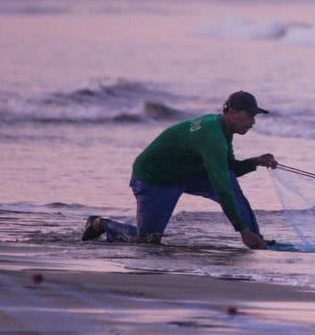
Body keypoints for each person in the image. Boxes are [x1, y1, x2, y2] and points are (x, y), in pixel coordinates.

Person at [81, 91, 277, 249]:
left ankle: (257, 240)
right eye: (250, 115)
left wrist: (256, 162)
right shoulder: (213, 136)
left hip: (187, 172)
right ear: (232, 112)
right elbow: (222, 188)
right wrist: (241, 230)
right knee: (148, 242)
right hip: (155, 178)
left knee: (228, 177)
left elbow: (230, 169)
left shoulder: (223, 130)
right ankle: (100, 224)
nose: (253, 122)